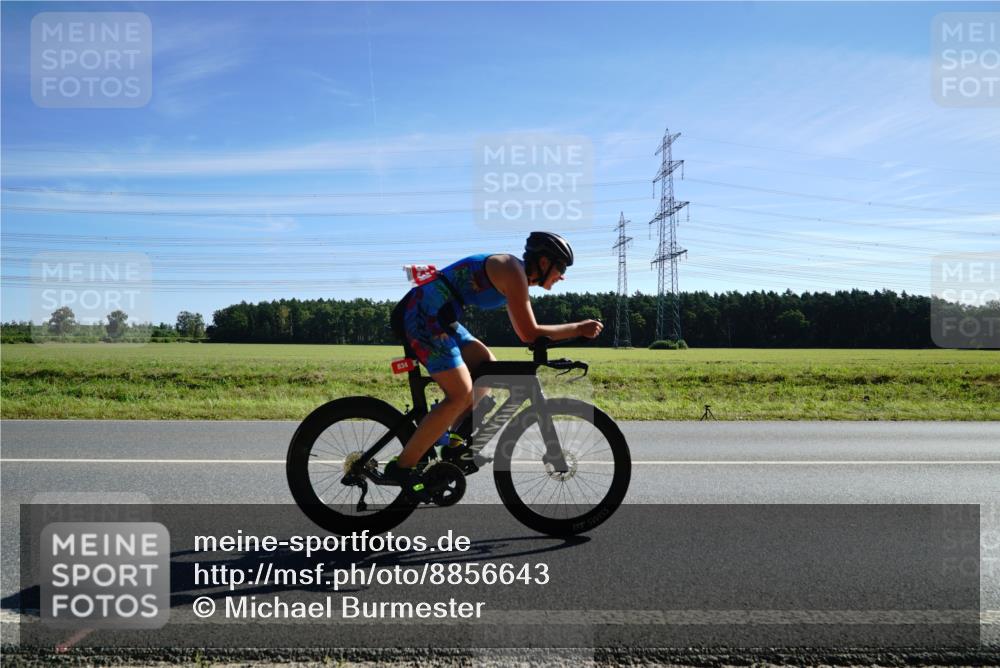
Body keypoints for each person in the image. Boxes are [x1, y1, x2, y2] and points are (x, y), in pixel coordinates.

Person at [386, 231, 603, 501]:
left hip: (441, 314)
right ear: (545, 263)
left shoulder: (516, 276)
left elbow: (526, 332)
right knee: (460, 394)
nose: (562, 276)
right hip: (424, 314)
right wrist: (578, 328)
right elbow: (528, 332)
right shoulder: (513, 271)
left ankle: (452, 440)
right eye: (561, 268)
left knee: (487, 368)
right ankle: (402, 468)